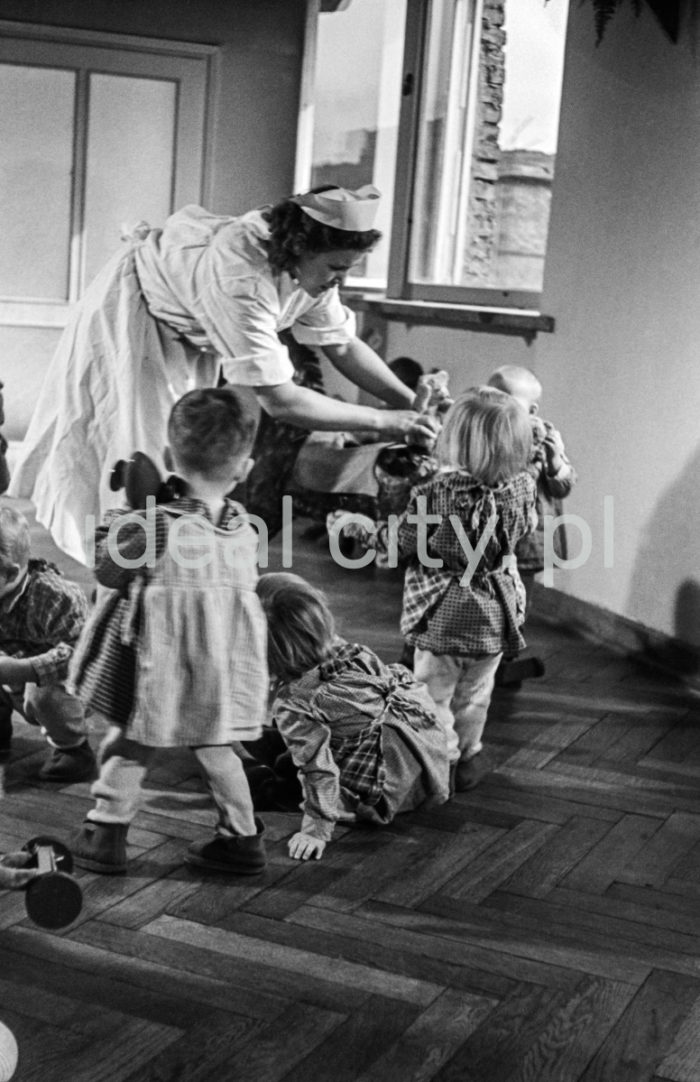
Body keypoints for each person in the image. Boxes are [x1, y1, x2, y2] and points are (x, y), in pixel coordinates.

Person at [9, 184, 439, 565]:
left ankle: (173, 567)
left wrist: (408, 402)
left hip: (186, 336)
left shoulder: (310, 272)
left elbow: (342, 345)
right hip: (135, 319)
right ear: (302, 250)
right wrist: (387, 421)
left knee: (177, 462)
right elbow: (281, 400)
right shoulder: (241, 275)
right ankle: (129, 577)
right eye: (337, 267)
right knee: (136, 457)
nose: (340, 280)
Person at [69, 387, 268, 876]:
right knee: (219, 751)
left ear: (166, 456)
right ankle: (242, 838)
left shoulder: (156, 526)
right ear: (244, 469)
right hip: (217, 672)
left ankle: (106, 829)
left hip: (158, 672)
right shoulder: (245, 530)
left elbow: (106, 569)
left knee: (130, 743)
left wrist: (126, 513)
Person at [252, 572, 450, 861]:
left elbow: (319, 770)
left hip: (377, 791)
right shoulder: (350, 650)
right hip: (414, 763)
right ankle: (272, 748)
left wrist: (316, 830)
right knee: (286, 742)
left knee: (269, 785)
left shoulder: (293, 701)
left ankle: (253, 763)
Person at [397, 386, 537, 792]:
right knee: (476, 692)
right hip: (497, 610)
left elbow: (408, 543)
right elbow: (524, 530)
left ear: (452, 436)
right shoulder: (523, 488)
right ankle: (471, 754)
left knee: (432, 693)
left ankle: (445, 757)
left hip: (445, 611)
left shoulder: (435, 494)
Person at [487, 365, 577, 687]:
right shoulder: (483, 431)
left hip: (527, 536)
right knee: (482, 590)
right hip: (488, 532)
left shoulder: (544, 435)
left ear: (531, 410)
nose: (498, 407)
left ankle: (507, 654)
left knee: (516, 596)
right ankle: (478, 645)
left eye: (508, 400)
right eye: (492, 397)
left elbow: (563, 485)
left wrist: (555, 464)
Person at [0, 505, 94, 780]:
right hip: (11, 679)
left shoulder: (54, 596)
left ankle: (74, 749)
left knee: (44, 695)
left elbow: (79, 655)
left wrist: (24, 669)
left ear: (10, 571)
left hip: (64, 687)